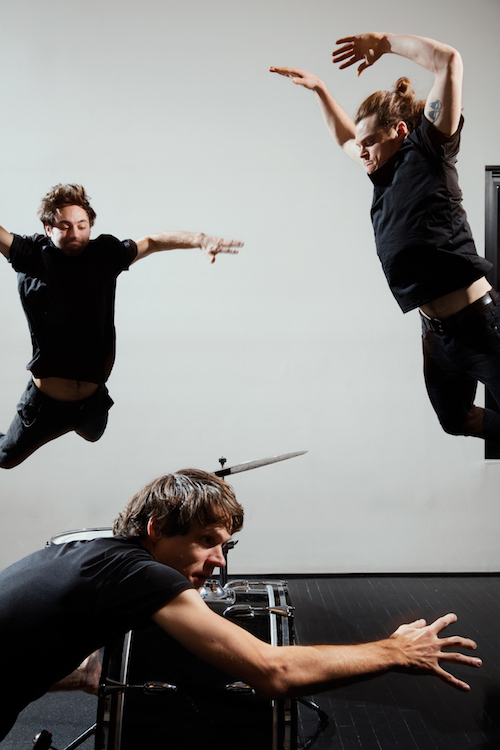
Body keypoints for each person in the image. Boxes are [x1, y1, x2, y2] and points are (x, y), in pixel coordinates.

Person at [0, 469, 482, 741]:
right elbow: (272, 672)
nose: (218, 559)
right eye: (205, 539)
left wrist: (85, 675)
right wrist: (393, 652)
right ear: (156, 528)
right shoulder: (140, 573)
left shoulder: (88, 549)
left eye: (225, 545)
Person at [271, 33, 500, 445]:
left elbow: (449, 61)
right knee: (455, 418)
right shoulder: (378, 175)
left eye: (370, 142)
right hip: (435, 332)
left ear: (399, 130)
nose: (361, 152)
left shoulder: (429, 148)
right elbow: (345, 138)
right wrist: (321, 89)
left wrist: (384, 42)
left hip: (480, 323)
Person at [0, 184, 242, 468]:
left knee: (93, 435)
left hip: (92, 405)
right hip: (45, 406)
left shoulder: (104, 254)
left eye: (81, 225)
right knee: (5, 458)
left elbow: (150, 241)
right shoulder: (31, 254)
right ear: (48, 227)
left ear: (90, 223)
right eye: (64, 226)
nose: (75, 233)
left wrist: (200, 239)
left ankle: (81, 420)